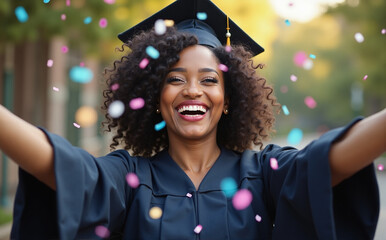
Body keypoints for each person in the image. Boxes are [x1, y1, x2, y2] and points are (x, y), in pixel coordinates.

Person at [1, 0, 384, 239]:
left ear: (229, 98)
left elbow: (331, 161)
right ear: (154, 97)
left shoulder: (263, 172)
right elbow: (63, 169)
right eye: (174, 79)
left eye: (209, 80)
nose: (192, 90)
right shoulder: (130, 179)